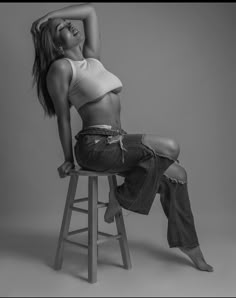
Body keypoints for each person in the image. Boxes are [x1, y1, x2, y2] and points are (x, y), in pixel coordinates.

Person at [31, 3, 213, 272]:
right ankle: (123, 196)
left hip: (118, 141)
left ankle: (189, 244)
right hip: (95, 146)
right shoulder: (61, 68)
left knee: (179, 175)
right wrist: (69, 158)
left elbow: (90, 11)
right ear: (57, 45)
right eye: (62, 28)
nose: (69, 24)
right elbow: (63, 117)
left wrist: (51, 16)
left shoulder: (92, 60)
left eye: (67, 23)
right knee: (171, 147)